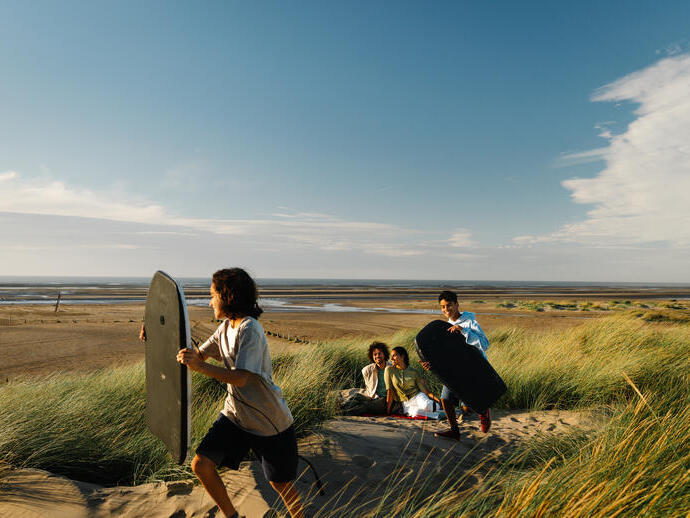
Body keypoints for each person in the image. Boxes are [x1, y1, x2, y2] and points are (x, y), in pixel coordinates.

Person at [145, 268, 303, 518]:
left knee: (279, 483)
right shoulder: (226, 328)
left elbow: (241, 377)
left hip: (268, 422)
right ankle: (232, 516)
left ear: (227, 295)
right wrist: (156, 336)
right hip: (236, 415)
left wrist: (200, 366)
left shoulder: (250, 329)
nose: (210, 301)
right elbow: (195, 356)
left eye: (212, 294)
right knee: (202, 465)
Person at [422, 290, 491, 440]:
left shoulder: (470, 322)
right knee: (445, 399)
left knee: (468, 405)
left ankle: (483, 411)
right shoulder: (444, 327)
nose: (446, 310)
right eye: (443, 307)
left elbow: (485, 344)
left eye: (449, 305)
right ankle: (454, 431)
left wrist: (463, 330)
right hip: (454, 370)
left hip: (473, 367)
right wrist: (431, 365)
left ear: (457, 304)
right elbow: (444, 354)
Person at [341, 342, 402, 415]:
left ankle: (342, 413)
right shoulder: (368, 370)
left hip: (386, 400)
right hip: (373, 397)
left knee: (365, 406)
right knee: (356, 396)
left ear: (384, 354)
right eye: (375, 354)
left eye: (379, 353)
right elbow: (369, 387)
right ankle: (341, 407)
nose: (377, 356)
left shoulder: (393, 368)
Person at [385, 346, 440, 418]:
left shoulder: (414, 372)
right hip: (405, 403)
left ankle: (438, 407)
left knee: (427, 405)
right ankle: (439, 414)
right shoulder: (389, 370)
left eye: (394, 355)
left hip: (417, 396)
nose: (391, 358)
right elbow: (390, 390)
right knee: (416, 412)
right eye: (391, 356)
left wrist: (439, 400)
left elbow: (425, 391)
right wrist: (387, 410)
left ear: (402, 356)